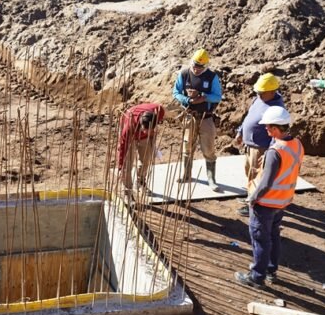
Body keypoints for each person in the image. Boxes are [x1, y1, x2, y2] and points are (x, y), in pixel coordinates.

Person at [234, 106, 304, 289]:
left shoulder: (275, 152)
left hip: (265, 202)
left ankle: (257, 277)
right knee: (273, 235)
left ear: (275, 128)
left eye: (267, 127)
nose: (265, 130)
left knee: (260, 239)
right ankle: (271, 270)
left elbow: (266, 183)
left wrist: (252, 199)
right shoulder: (296, 144)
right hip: (282, 200)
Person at [172, 49, 223, 191]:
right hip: (190, 116)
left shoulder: (212, 77)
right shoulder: (184, 74)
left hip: (206, 117)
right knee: (187, 147)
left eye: (200, 67)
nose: (196, 69)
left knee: (209, 148)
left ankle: (211, 179)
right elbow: (176, 92)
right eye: (195, 65)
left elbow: (218, 96)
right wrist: (187, 99)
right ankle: (186, 175)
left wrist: (203, 96)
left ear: (205, 66)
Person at [235, 73, 285, 216]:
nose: (258, 94)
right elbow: (248, 117)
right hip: (250, 145)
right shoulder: (259, 99)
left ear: (272, 91)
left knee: (258, 176)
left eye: (261, 92)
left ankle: (253, 204)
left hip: (262, 147)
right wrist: (240, 131)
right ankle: (250, 196)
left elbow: (276, 133)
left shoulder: (276, 109)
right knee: (249, 172)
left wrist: (270, 152)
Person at [117, 103, 165, 195]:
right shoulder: (129, 126)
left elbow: (161, 110)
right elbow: (123, 148)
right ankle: (128, 190)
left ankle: (140, 182)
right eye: (145, 129)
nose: (146, 131)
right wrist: (120, 166)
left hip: (146, 135)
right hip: (131, 134)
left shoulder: (158, 111)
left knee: (146, 160)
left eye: (149, 129)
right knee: (126, 165)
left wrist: (151, 134)